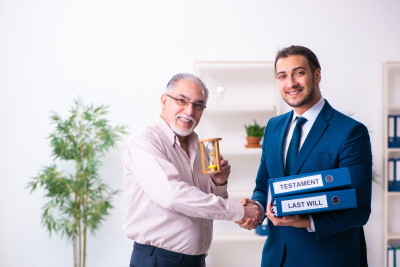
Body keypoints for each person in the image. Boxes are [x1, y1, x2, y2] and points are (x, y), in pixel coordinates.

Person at [237, 45, 372, 266]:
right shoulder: (273, 127)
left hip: (327, 258)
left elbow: (359, 208)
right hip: (276, 257)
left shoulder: (349, 132)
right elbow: (264, 186)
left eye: (298, 73)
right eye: (283, 76)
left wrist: (305, 220)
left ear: (316, 75)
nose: (290, 83)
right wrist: (255, 209)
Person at [122, 73, 262, 267]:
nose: (189, 111)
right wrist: (241, 211)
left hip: (197, 261)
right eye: (182, 100)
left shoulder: (201, 145)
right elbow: (173, 195)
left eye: (198, 105)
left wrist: (219, 183)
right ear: (164, 101)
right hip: (157, 260)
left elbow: (203, 204)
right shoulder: (144, 142)